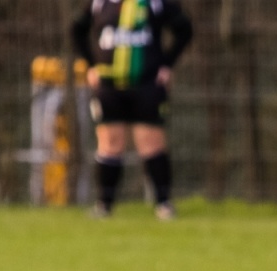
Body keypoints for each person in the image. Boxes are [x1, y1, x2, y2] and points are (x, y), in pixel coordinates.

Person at [71, 0, 194, 220]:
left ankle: (163, 204)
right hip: (108, 86)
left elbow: (185, 29)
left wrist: (167, 64)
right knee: (109, 143)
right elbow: (77, 30)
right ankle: (104, 205)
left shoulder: (155, 4)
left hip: (146, 85)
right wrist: (91, 65)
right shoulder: (99, 3)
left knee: (150, 142)